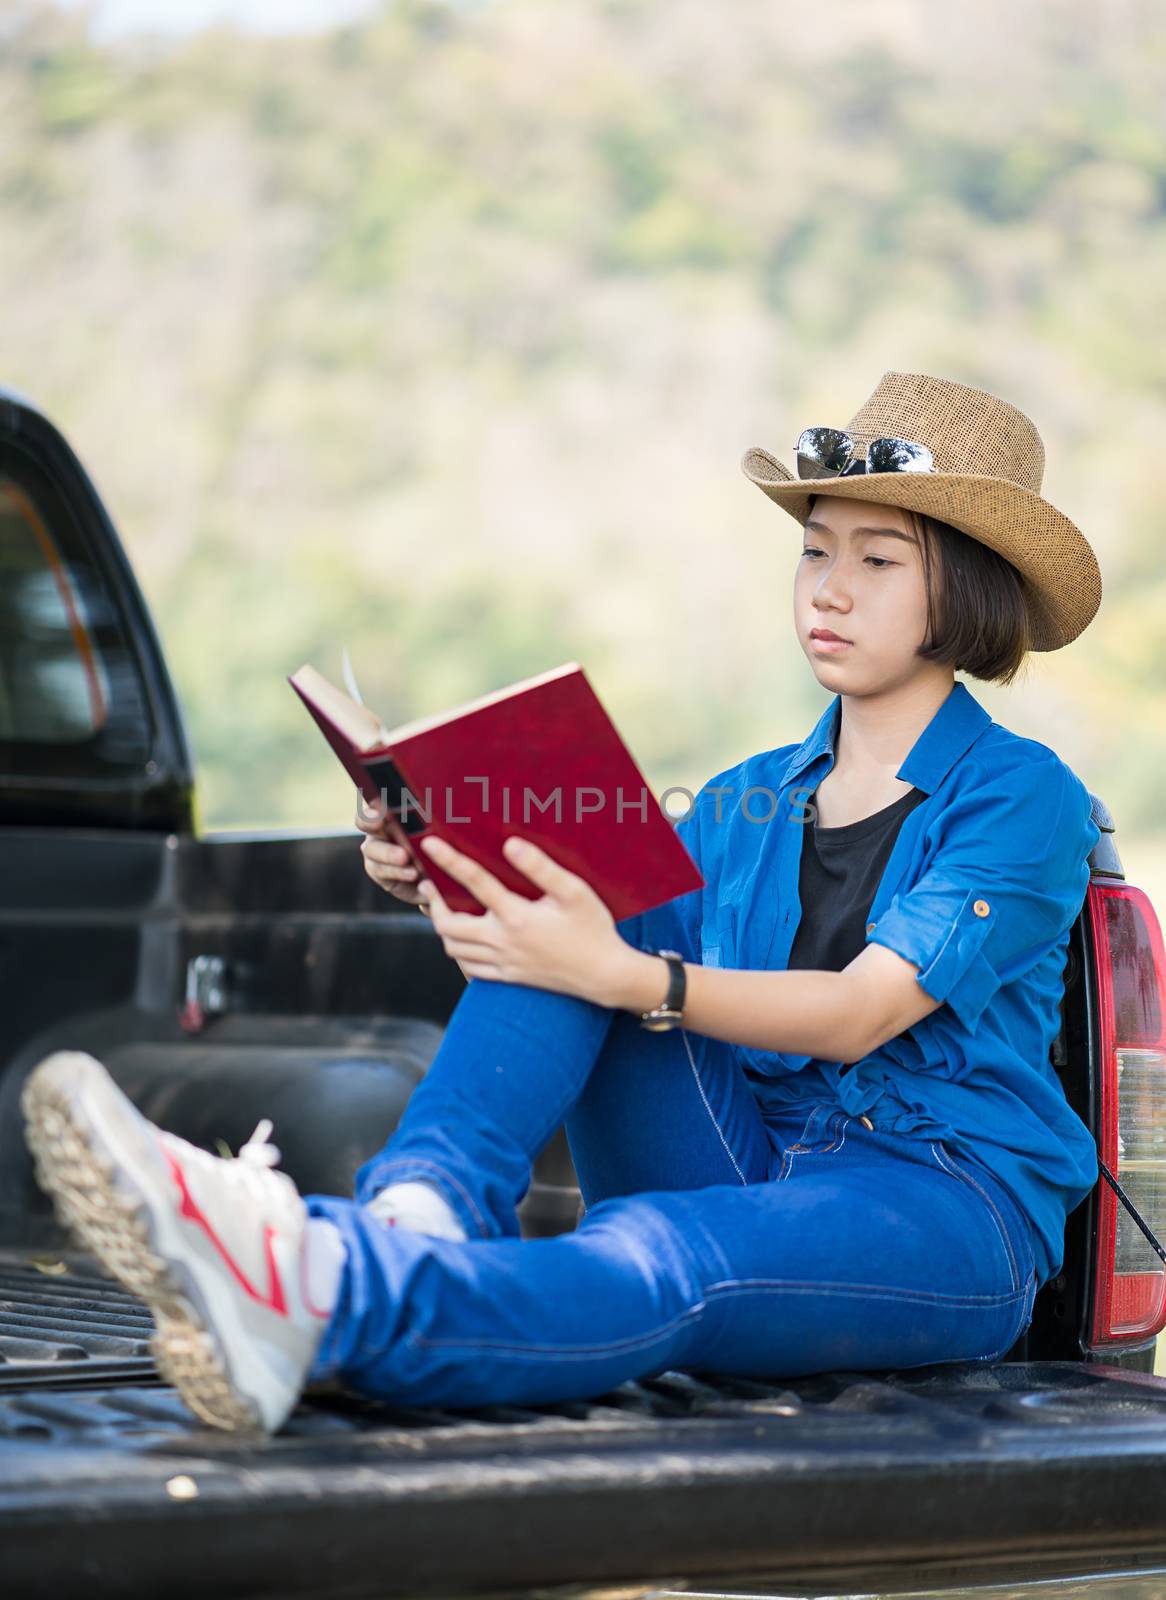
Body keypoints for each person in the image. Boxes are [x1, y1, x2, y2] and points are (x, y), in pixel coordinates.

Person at [21, 371, 1104, 1436]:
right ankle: (422, 1212)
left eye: (876, 560)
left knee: (668, 1254)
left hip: (937, 1206)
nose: (827, 588)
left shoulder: (1021, 795)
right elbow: (579, 960)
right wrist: (440, 870)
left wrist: (623, 975)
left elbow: (858, 1011)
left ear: (961, 589)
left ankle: (327, 1284)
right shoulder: (747, 796)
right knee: (594, 878)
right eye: (814, 549)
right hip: (745, 1146)